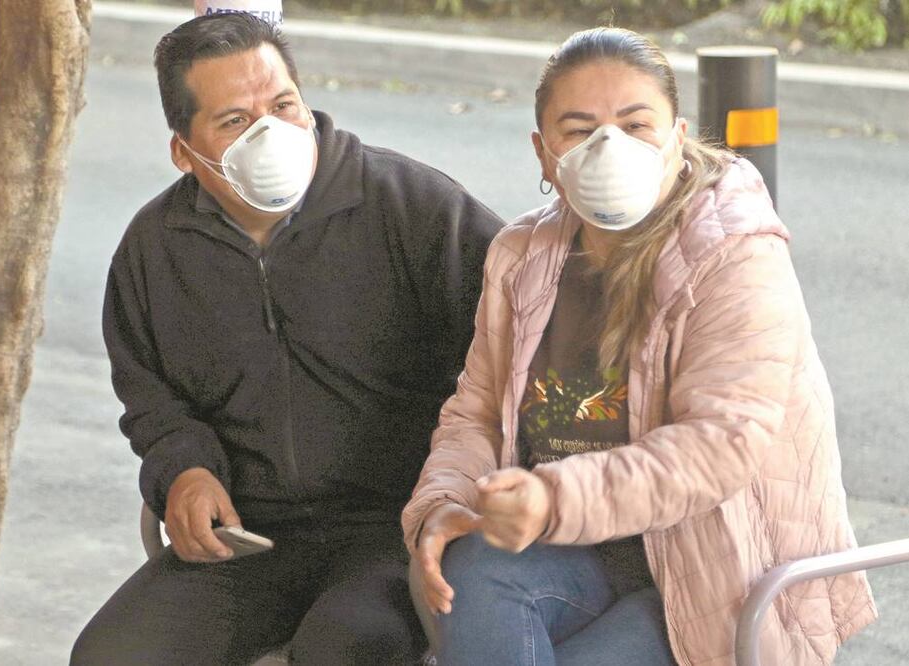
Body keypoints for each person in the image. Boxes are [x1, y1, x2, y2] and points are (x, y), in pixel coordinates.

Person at [402, 27, 876, 666]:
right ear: (545, 156)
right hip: (577, 550)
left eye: (636, 123)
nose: (609, 147)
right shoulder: (521, 257)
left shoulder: (735, 251)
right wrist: (444, 504)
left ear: (678, 138)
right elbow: (477, 410)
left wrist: (552, 499)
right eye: (579, 130)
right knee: (467, 577)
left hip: (717, 565)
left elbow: (720, 446)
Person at [70, 12, 502, 666]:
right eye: (234, 121)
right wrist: (183, 471)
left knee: (348, 646)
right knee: (109, 656)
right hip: (251, 541)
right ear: (184, 152)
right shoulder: (154, 250)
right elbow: (152, 400)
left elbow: (525, 345)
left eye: (282, 106)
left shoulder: (413, 207)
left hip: (396, 532)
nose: (269, 133)